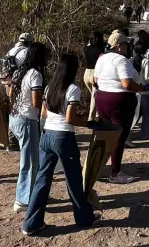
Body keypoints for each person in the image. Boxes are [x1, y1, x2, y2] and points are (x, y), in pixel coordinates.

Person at [22, 53, 101, 236]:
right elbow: (70, 118)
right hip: (63, 137)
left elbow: (44, 113)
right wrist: (88, 123)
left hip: (47, 135)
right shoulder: (72, 89)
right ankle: (84, 218)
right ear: (73, 69)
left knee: (42, 179)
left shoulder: (50, 87)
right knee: (73, 179)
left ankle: (31, 223)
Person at [93, 31, 149, 184]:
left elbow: (96, 79)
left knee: (104, 135)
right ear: (119, 46)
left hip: (102, 98)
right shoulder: (121, 60)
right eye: (126, 44)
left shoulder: (102, 58)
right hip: (119, 100)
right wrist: (141, 88)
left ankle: (96, 169)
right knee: (119, 137)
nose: (128, 47)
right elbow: (127, 84)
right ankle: (115, 172)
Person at [9, 42, 47, 211]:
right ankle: (23, 200)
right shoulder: (35, 75)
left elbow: (11, 94)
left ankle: (30, 192)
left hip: (15, 117)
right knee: (30, 161)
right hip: (28, 119)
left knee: (30, 159)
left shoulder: (18, 72)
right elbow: (36, 102)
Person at [133, 42, 149, 140]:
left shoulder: (131, 60)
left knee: (134, 115)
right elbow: (148, 78)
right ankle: (144, 134)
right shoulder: (146, 61)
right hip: (144, 91)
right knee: (145, 115)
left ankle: (128, 133)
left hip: (134, 91)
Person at [82, 31, 105, 121]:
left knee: (93, 95)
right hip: (96, 73)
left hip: (86, 73)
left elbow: (87, 45)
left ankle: (97, 115)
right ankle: (91, 119)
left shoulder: (86, 49)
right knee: (94, 97)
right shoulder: (101, 50)